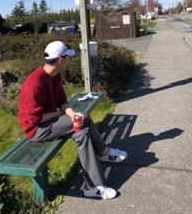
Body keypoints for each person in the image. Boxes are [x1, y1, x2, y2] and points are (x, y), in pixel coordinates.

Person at [18, 41, 127, 199]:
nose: (69, 61)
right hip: (37, 130)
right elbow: (35, 119)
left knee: (81, 133)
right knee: (85, 120)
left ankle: (92, 186)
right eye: (67, 58)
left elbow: (62, 102)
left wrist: (71, 113)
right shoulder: (34, 83)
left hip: (51, 122)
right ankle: (104, 152)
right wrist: (60, 115)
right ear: (61, 59)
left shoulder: (54, 75)